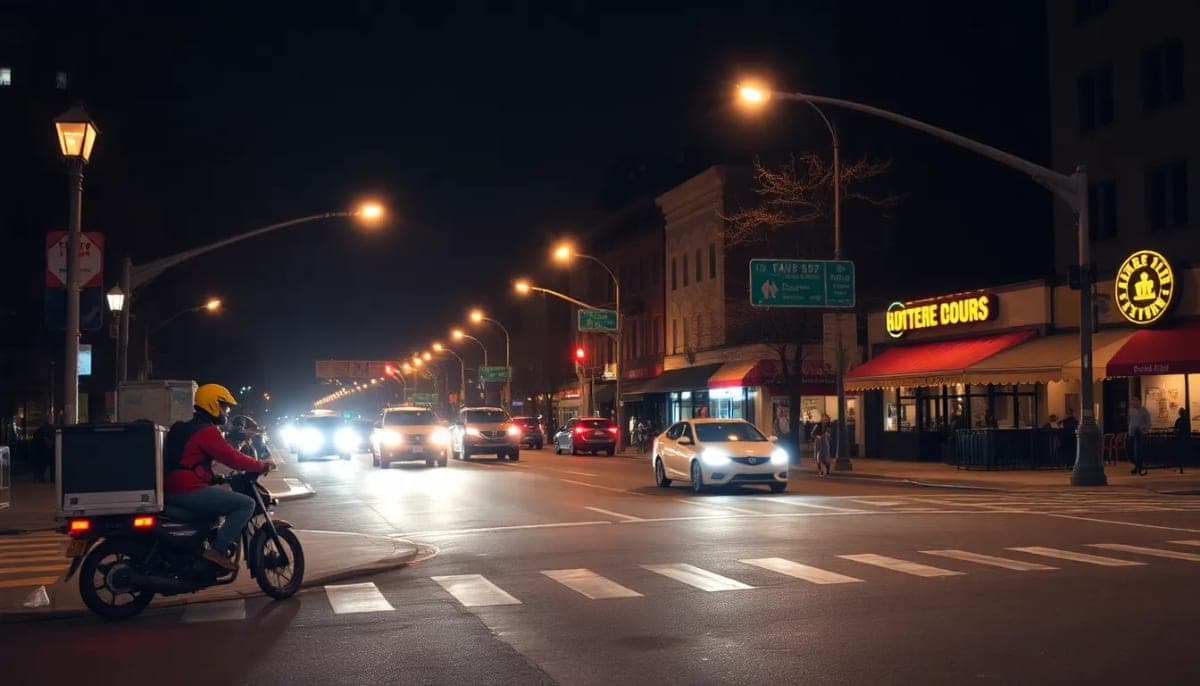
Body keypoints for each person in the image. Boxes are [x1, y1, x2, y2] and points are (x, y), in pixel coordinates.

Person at [164, 384, 274, 571]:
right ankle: (217, 550)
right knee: (245, 504)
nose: (227, 412)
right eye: (225, 407)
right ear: (212, 404)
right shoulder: (206, 430)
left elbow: (188, 461)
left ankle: (201, 549)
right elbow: (232, 457)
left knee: (218, 505)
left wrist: (215, 478)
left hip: (176, 487)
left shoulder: (188, 427)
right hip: (187, 490)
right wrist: (261, 465)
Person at [1127, 395, 1151, 476]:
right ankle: (1137, 465)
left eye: (1135, 400)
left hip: (1140, 434)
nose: (1133, 402)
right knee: (1130, 451)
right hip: (1131, 433)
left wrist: (1142, 428)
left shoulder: (1144, 411)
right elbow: (1130, 420)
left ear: (1139, 401)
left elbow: (1148, 423)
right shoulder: (1131, 410)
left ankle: (1138, 467)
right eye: (1132, 401)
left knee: (1138, 451)